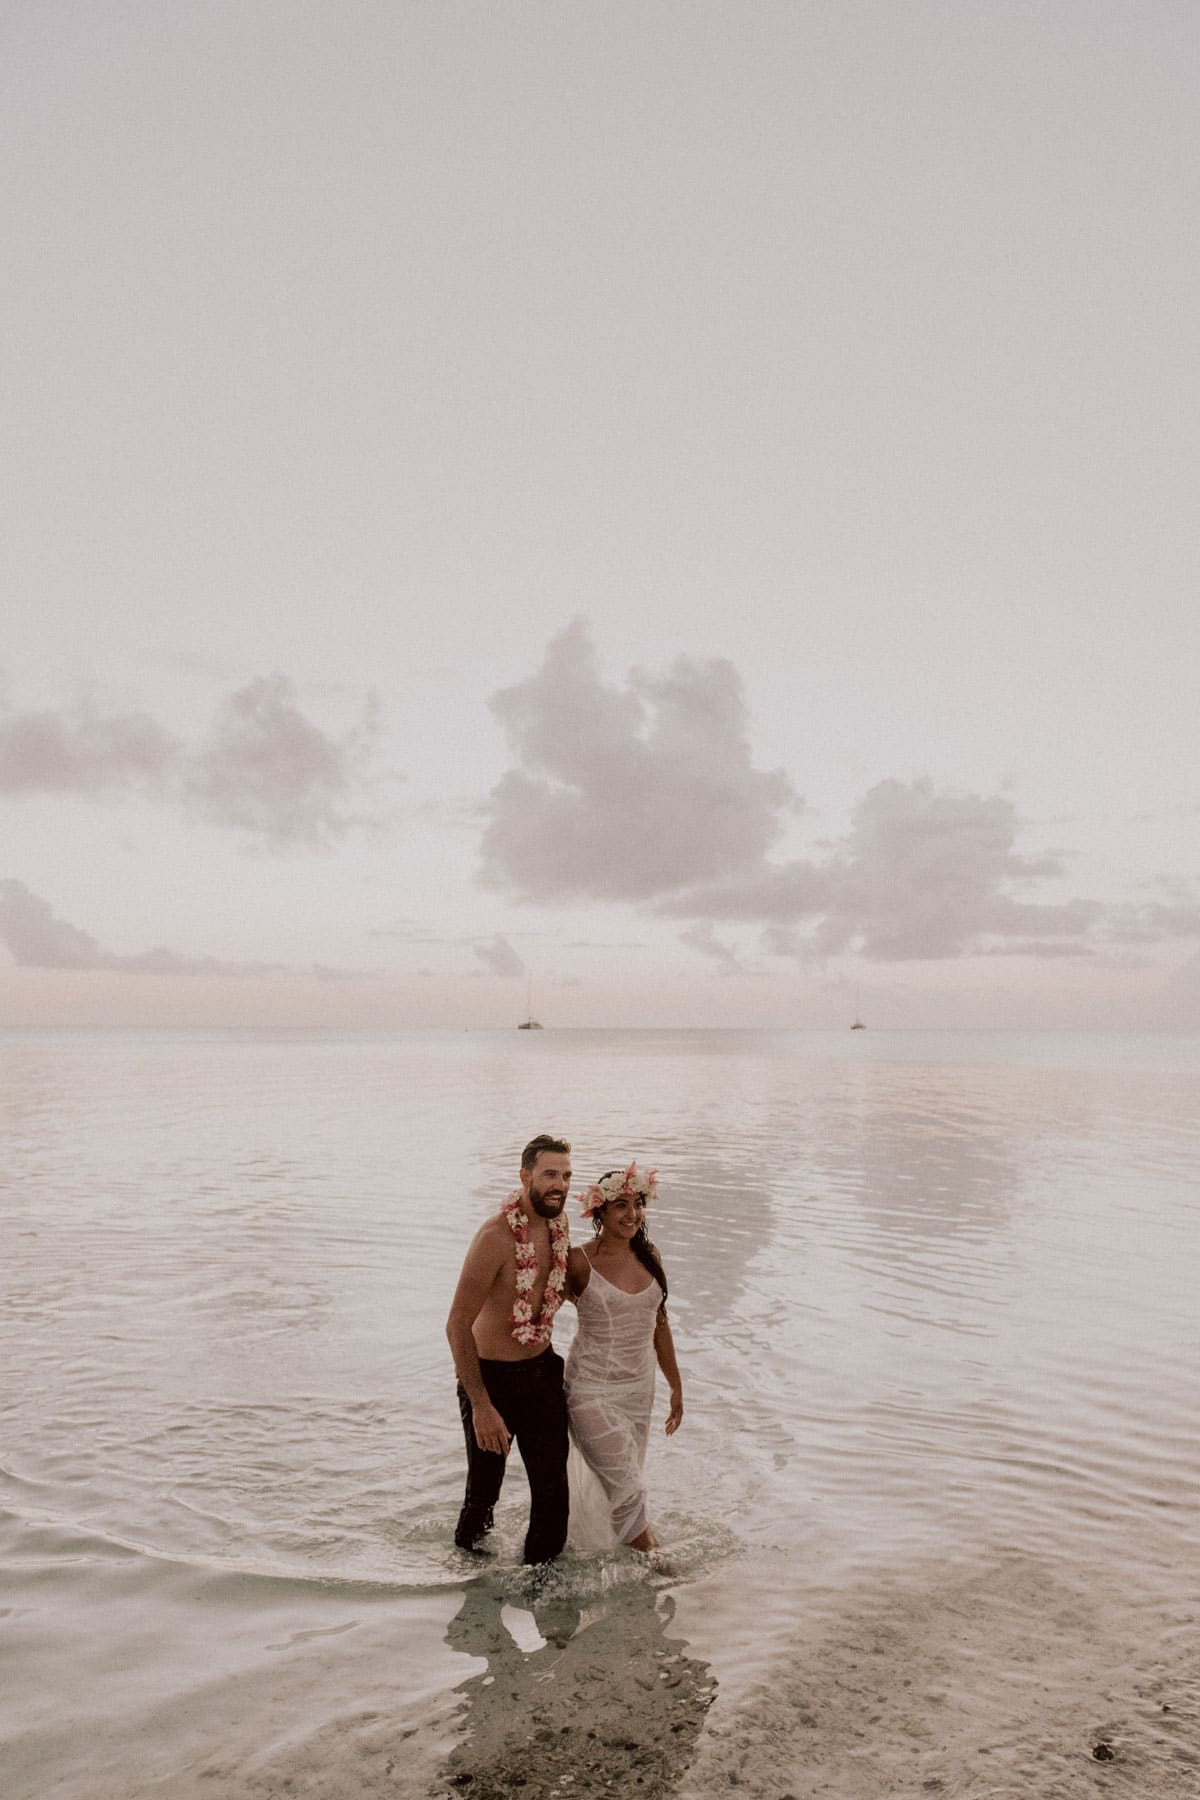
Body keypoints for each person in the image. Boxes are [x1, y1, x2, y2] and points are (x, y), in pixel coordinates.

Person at [445, 1134, 573, 1563]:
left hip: (542, 1372)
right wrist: (481, 1406)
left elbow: (563, 1284)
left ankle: (542, 1583)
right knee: (484, 1493)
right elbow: (457, 1326)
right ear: (525, 1176)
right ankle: (470, 1588)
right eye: (550, 1174)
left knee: (553, 1489)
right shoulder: (495, 1238)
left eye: (567, 1175)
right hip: (490, 1379)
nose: (560, 1184)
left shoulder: (560, 1224)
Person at [564, 1161, 683, 1552]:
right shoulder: (578, 1262)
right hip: (589, 1391)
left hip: (638, 1390)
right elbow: (538, 1310)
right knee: (629, 1486)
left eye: (638, 1204)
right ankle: (659, 1564)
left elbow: (659, 1325)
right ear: (599, 1211)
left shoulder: (651, 1256)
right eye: (621, 1205)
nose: (632, 1214)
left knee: (624, 1481)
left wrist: (676, 1386)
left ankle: (619, 1555)